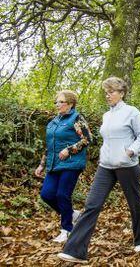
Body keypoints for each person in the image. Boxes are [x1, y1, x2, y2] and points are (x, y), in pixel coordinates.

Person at [58, 77, 140, 264]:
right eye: (106, 92)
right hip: (106, 166)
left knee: (135, 203)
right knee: (92, 204)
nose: (108, 95)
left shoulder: (131, 112)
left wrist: (131, 151)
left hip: (126, 165)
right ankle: (75, 250)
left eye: (112, 92)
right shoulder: (106, 115)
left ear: (122, 93)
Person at [34, 90, 92, 243]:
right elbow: (49, 146)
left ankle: (67, 230)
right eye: (56, 102)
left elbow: (88, 139)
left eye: (61, 102)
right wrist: (41, 164)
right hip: (54, 164)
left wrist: (69, 150)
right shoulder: (53, 122)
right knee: (46, 194)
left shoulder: (77, 118)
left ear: (70, 104)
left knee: (62, 195)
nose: (57, 105)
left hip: (71, 163)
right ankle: (72, 214)